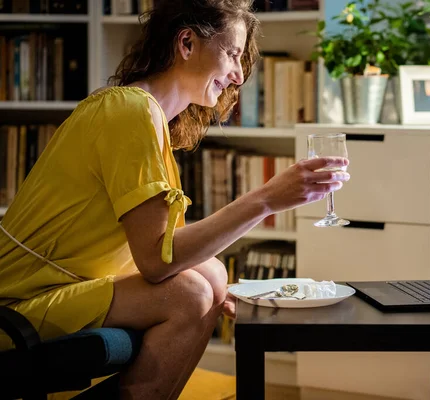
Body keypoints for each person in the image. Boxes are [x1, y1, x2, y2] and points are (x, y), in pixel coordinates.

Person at [0, 1, 350, 398]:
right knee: (190, 295)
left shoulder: (147, 118)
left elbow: (163, 251)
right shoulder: (129, 111)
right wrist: (266, 199)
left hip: (63, 288)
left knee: (214, 275)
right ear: (186, 42)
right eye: (232, 54)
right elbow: (156, 260)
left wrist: (230, 288)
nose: (237, 75)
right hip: (15, 307)